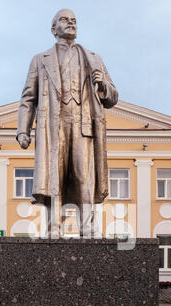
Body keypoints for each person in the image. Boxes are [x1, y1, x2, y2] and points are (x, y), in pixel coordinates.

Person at [16, 9, 118, 236]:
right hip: (54, 125)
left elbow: (112, 97)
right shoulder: (39, 60)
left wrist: (102, 86)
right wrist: (23, 130)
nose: (70, 23)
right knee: (55, 175)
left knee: (84, 176)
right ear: (54, 29)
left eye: (74, 20)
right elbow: (28, 97)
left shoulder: (94, 58)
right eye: (64, 20)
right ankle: (54, 227)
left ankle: (88, 227)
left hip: (84, 125)